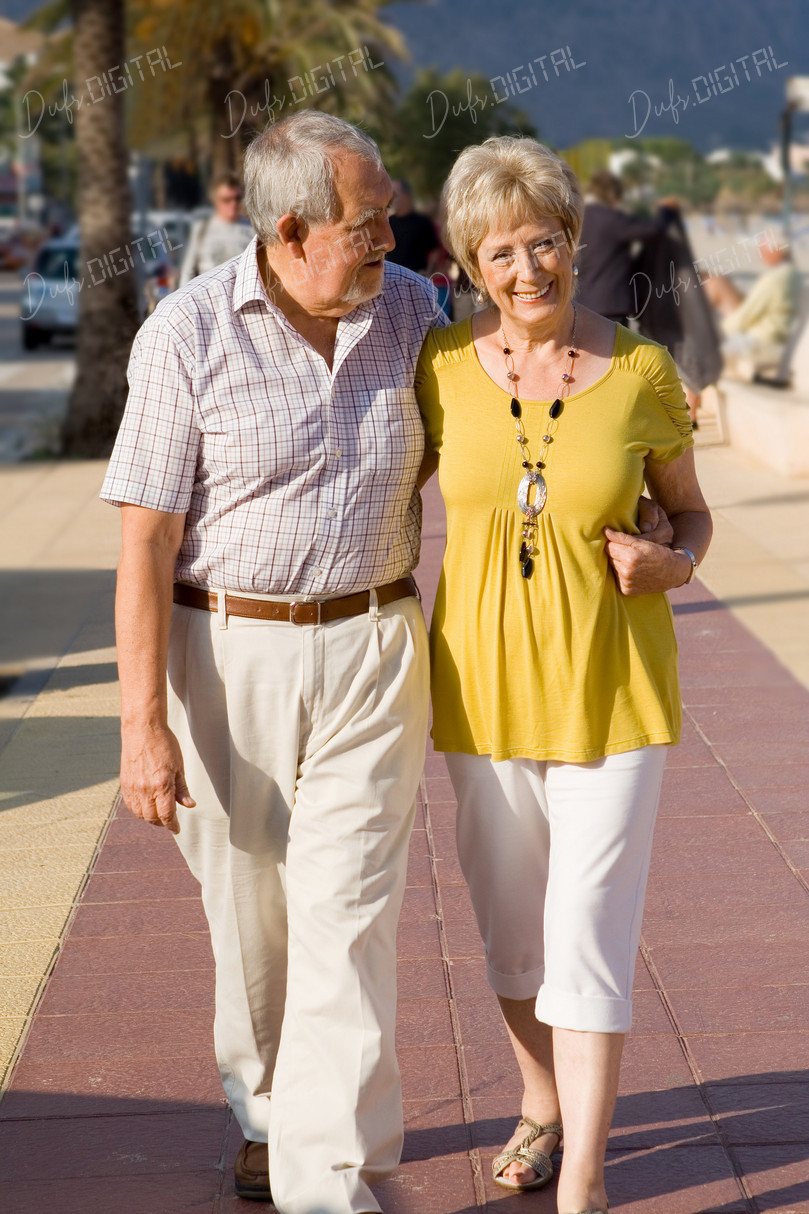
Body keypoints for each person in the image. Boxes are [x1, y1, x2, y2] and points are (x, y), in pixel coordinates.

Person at [101, 112, 447, 1214]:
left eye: (389, 210)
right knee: (250, 918)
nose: (390, 235)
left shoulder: (415, 310)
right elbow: (146, 540)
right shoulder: (184, 332)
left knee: (347, 915)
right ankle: (262, 1112)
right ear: (291, 228)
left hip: (373, 643)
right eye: (367, 220)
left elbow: (495, 426)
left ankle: (329, 1177)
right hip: (225, 651)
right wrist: (141, 724)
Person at [415, 137, 712, 1214]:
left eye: (544, 241)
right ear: (467, 263)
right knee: (509, 930)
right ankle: (537, 1097)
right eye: (500, 250)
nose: (526, 268)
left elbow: (688, 508)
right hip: (480, 694)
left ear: (573, 240)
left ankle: (581, 1177)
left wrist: (671, 559)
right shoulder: (439, 366)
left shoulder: (639, 371)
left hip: (612, 689)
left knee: (586, 926)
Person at [575, 170, 676, 328]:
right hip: (609, 306)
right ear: (612, 195)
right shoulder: (610, 219)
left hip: (579, 305)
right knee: (614, 352)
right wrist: (666, 210)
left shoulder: (575, 219)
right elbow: (654, 230)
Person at [702, 236, 802, 368]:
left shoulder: (775, 278)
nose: (760, 253)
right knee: (715, 281)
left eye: (763, 248)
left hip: (760, 340)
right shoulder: (792, 274)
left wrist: (718, 333)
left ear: (777, 250)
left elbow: (746, 315)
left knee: (715, 282)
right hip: (769, 334)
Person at [178, 171, 254, 285]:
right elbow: (188, 272)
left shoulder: (252, 230)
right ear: (215, 200)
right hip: (208, 297)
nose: (233, 204)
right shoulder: (201, 229)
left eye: (237, 198)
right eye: (227, 199)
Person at [386, 179, 440, 275]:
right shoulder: (388, 223)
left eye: (395, 193)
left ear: (406, 195)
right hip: (392, 279)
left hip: (415, 279)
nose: (392, 198)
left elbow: (434, 251)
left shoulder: (422, 222)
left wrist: (428, 272)